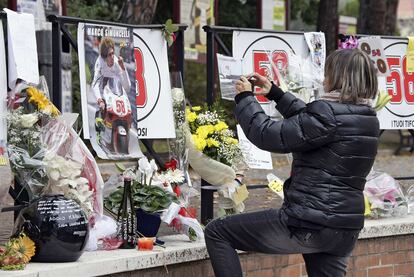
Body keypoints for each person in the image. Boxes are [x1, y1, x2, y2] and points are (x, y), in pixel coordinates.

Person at [204, 48, 380, 277]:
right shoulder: (367, 118)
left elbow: (267, 134)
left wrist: (245, 99)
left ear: (338, 77)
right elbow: (309, 124)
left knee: (218, 231)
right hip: (343, 228)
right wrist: (275, 93)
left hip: (308, 223)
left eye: (328, 73)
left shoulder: (328, 115)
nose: (324, 78)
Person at [92, 37, 131, 111]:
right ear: (104, 57)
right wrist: (100, 100)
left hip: (115, 97)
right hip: (103, 97)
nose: (112, 57)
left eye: (113, 53)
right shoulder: (99, 63)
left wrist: (123, 69)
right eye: (109, 55)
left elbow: (127, 88)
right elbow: (95, 85)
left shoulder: (117, 63)